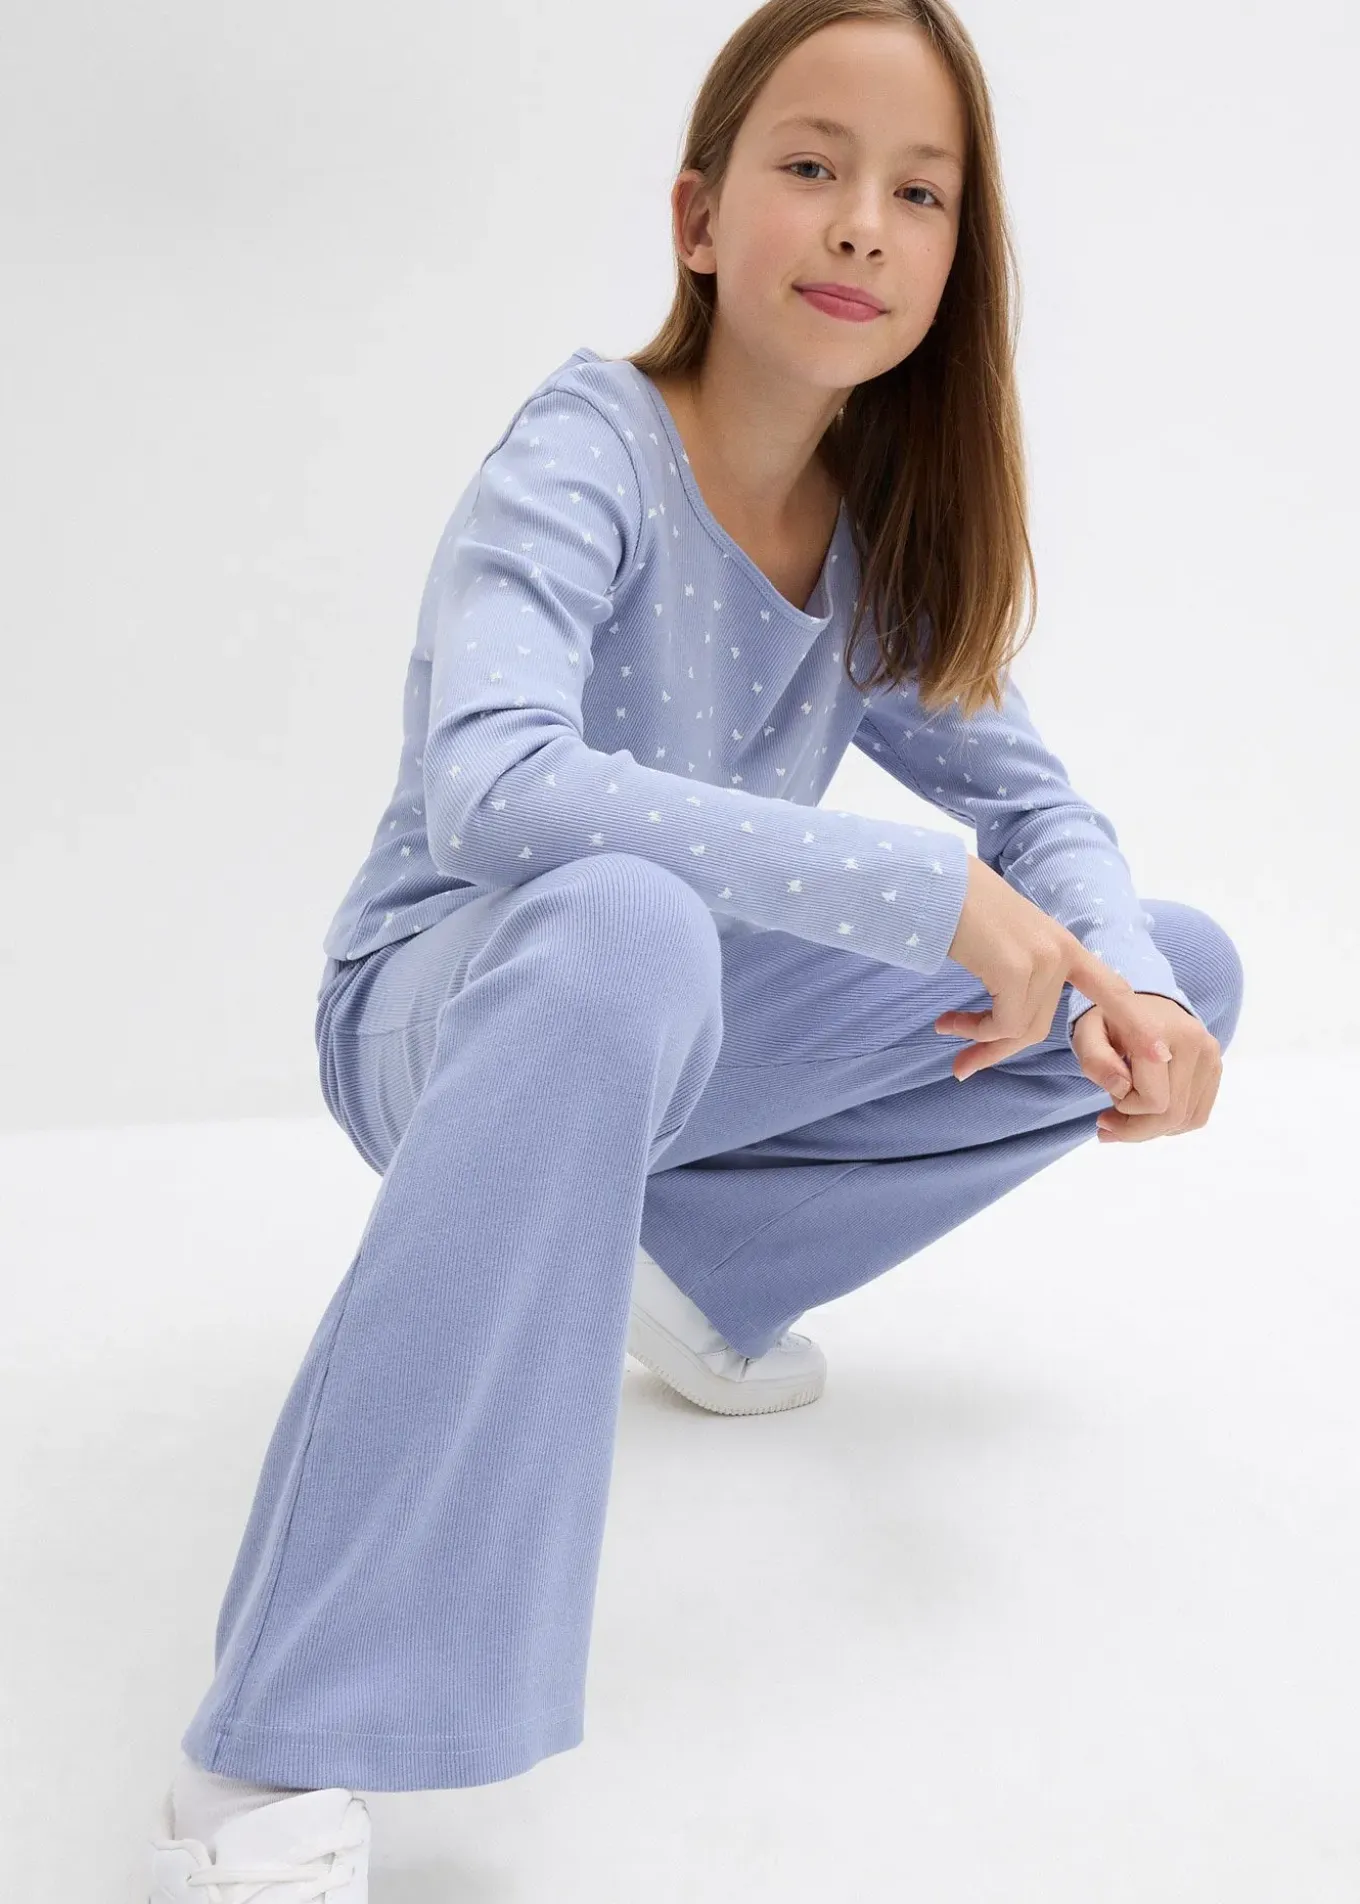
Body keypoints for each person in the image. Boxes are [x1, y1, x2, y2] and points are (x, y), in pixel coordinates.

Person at [146, 0, 1244, 1895]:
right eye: (812, 167)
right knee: (631, 923)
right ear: (700, 217)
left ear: (955, 262)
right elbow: (493, 785)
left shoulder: (878, 535)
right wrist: (920, 891)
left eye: (919, 193)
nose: (863, 222)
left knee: (1170, 969)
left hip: (666, 1017)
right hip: (447, 1005)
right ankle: (278, 1732)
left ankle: (700, 1269)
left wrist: (1125, 978)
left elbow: (1039, 810)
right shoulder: (584, 448)